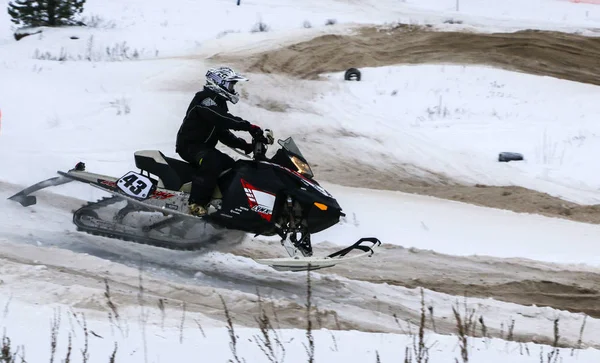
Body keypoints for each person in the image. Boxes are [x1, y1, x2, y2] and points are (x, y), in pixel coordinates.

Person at [175, 66, 263, 216]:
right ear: (218, 83)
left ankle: (223, 205)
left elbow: (223, 133)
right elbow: (221, 118)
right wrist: (249, 127)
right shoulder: (204, 99)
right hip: (190, 146)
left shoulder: (219, 103)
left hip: (204, 148)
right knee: (212, 160)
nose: (233, 88)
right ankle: (197, 203)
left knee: (232, 166)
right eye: (230, 84)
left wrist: (245, 146)